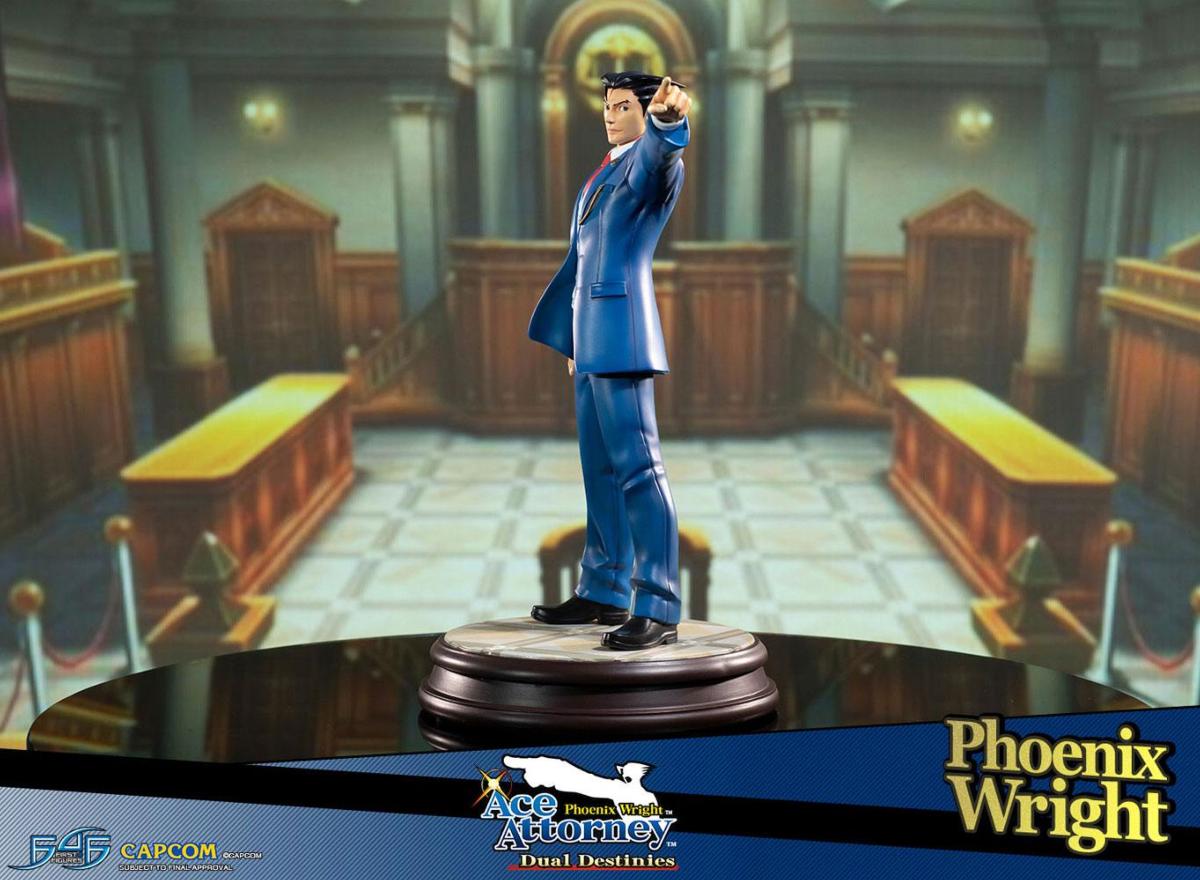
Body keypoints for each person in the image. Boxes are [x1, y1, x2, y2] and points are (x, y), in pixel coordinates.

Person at [526, 71, 692, 650]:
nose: (610, 114)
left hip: (622, 333)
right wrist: (575, 338)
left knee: (639, 471)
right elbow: (582, 259)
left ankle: (658, 604)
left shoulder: (648, 165)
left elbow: (660, 156)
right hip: (591, 337)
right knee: (599, 469)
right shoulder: (603, 170)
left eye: (623, 106)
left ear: (646, 114)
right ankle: (604, 588)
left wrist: (668, 123)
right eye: (608, 104)